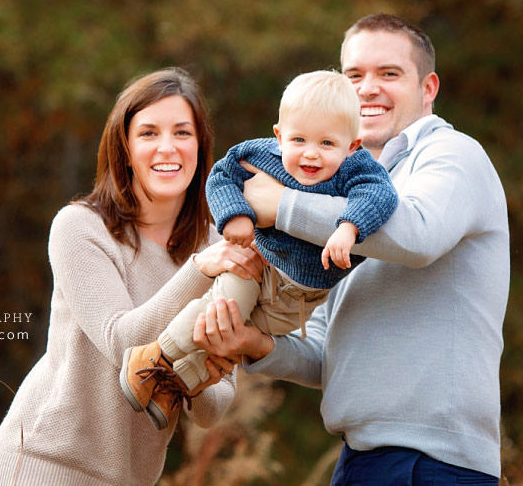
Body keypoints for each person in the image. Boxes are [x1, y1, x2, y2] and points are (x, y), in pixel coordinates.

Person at [194, 13, 510, 486]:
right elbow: (326, 352)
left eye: (389, 74)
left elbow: (419, 235)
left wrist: (280, 205)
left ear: (428, 87)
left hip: (426, 465)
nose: (368, 89)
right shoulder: (340, 185)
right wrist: (256, 345)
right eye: (353, 75)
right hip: (363, 458)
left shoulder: (453, 155)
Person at [0, 68, 262, 486]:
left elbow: (212, 411)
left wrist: (215, 354)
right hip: (41, 482)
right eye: (148, 133)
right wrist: (199, 272)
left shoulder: (219, 244)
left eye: (182, 133)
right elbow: (122, 341)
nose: (167, 147)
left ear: (201, 148)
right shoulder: (82, 228)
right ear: (125, 149)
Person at [119, 70, 397, 428]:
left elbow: (380, 196)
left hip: (299, 301)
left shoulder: (358, 169)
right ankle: (153, 357)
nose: (310, 154)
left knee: (231, 340)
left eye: (327, 144)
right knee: (221, 311)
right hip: (258, 266)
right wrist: (234, 214)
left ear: (353, 145)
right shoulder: (263, 154)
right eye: (298, 140)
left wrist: (349, 227)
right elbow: (222, 174)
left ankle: (177, 381)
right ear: (279, 136)